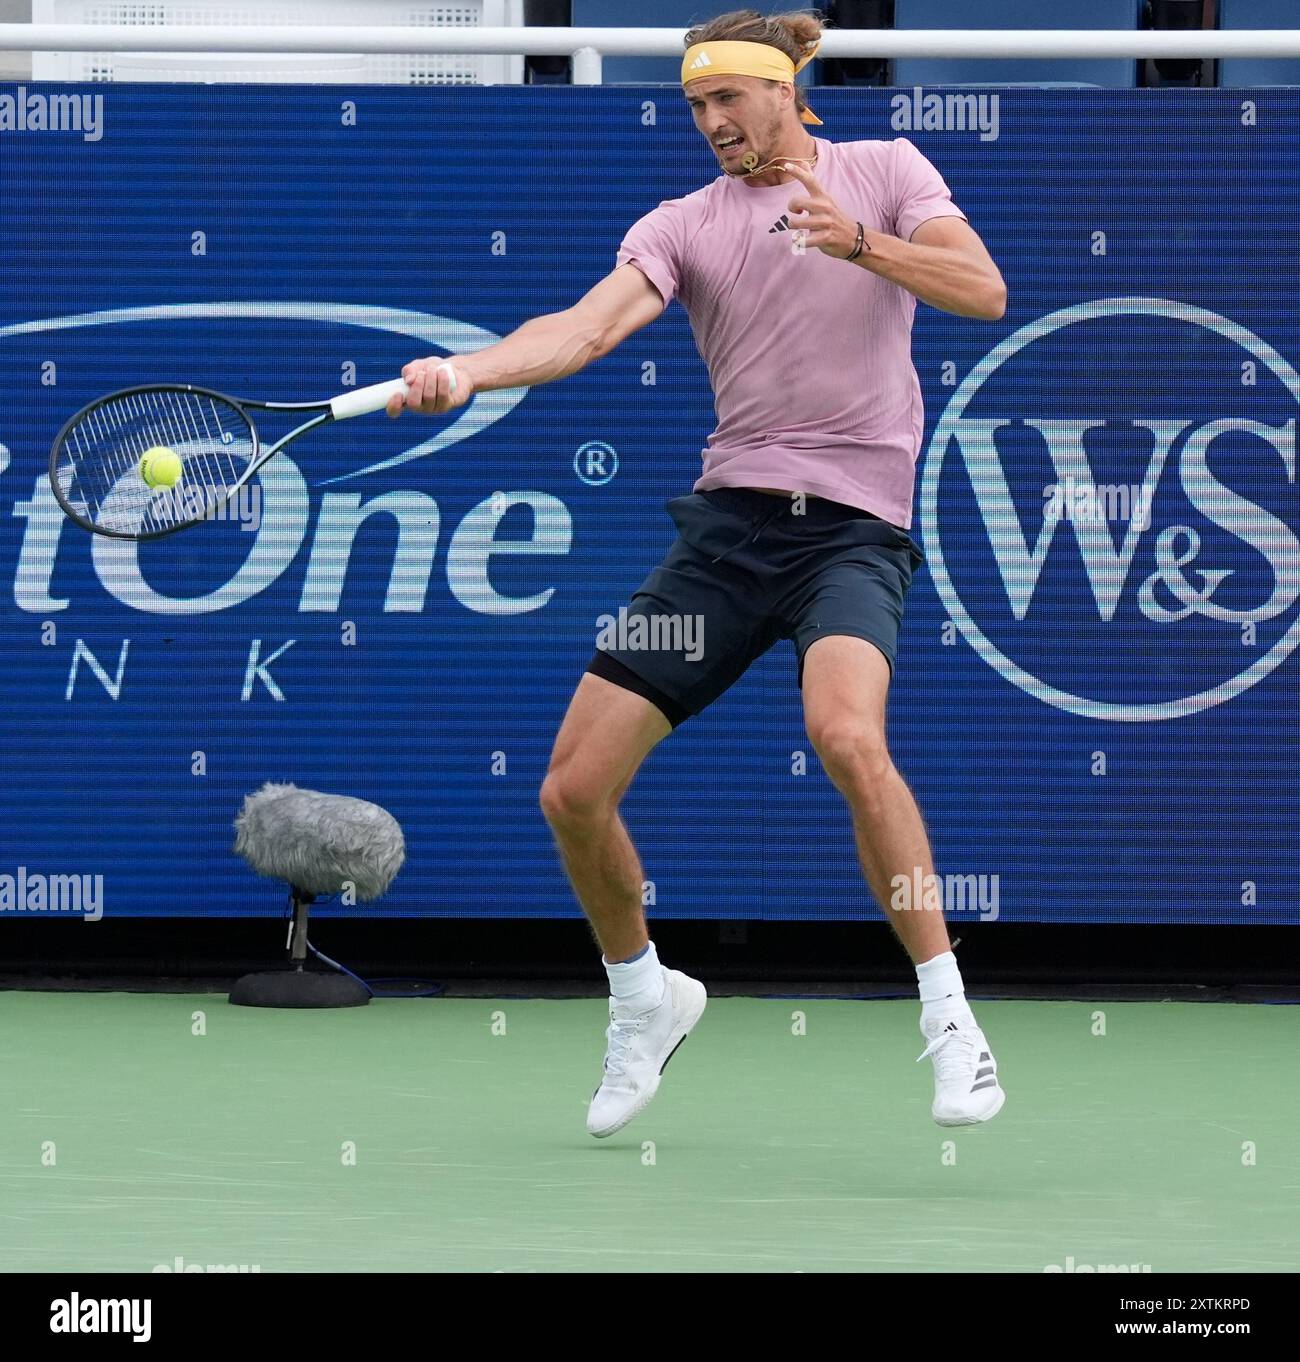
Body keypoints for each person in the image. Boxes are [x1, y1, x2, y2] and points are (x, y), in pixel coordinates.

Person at [389, 7, 1009, 1138]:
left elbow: (982, 289)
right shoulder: (684, 224)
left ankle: (948, 1017)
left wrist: (860, 243)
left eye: (730, 98)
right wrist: (468, 373)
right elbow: (581, 331)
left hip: (849, 542)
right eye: (695, 105)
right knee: (572, 789)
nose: (713, 122)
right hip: (726, 551)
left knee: (848, 734)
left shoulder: (882, 170)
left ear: (786, 91)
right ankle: (645, 996)